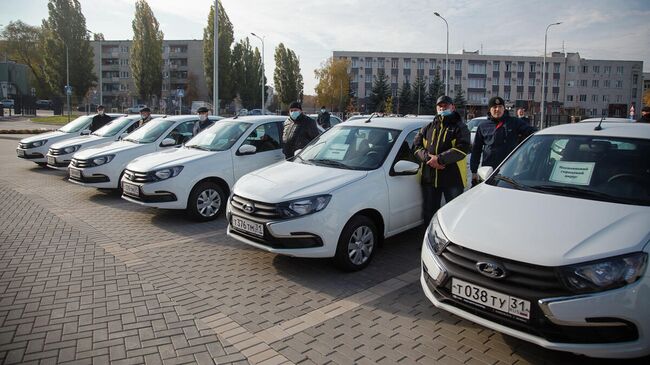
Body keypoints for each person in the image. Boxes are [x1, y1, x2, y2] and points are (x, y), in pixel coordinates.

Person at [414, 95, 471, 224]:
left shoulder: (460, 127)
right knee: (429, 212)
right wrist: (429, 158)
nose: (442, 108)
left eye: (445, 106)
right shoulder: (428, 127)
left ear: (453, 107)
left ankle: (452, 242)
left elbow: (462, 149)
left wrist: (439, 160)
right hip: (430, 178)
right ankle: (430, 239)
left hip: (452, 178)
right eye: (440, 106)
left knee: (454, 213)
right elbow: (416, 146)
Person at [470, 96, 536, 186]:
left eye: (500, 107)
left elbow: (531, 132)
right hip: (488, 170)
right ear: (490, 109)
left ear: (504, 108)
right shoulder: (483, 126)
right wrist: (474, 171)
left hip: (510, 170)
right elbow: (476, 149)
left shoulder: (514, 122)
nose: (498, 109)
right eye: (494, 107)